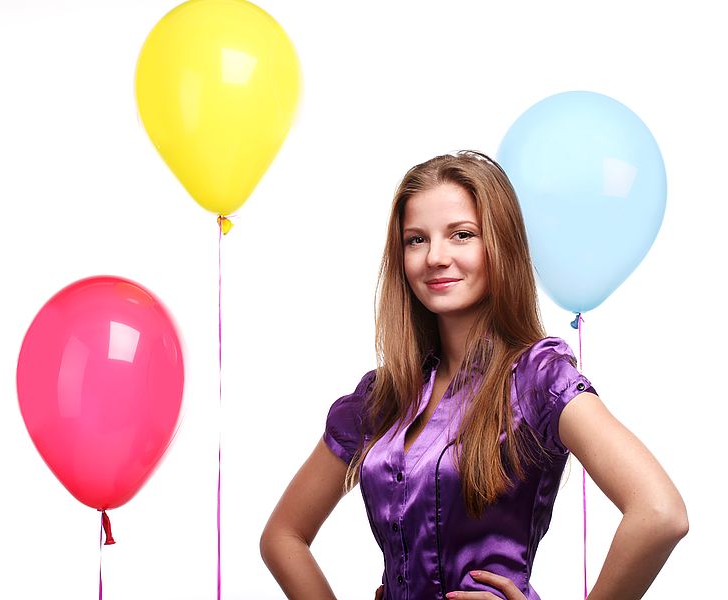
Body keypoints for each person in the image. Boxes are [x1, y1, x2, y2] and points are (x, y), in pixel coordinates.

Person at [260, 151, 688, 599]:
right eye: (416, 240)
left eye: (462, 235)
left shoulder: (538, 380)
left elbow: (660, 513)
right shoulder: (380, 399)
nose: (436, 257)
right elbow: (282, 537)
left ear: (499, 245)